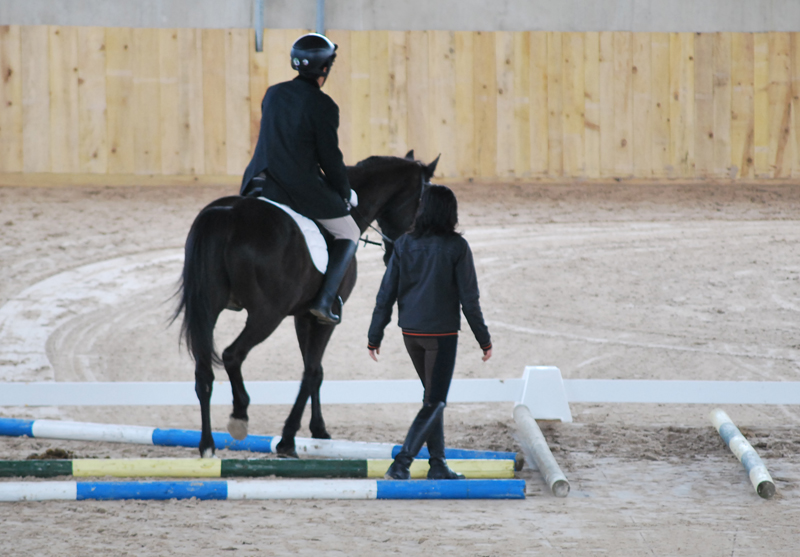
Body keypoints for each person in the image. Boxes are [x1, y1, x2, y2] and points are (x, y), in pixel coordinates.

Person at [367, 185, 492, 480]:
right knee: (436, 401)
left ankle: (438, 464)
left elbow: (385, 295)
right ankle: (402, 463)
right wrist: (483, 338)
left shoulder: (403, 243)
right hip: (442, 336)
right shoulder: (457, 247)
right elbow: (469, 301)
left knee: (431, 398)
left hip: (410, 333)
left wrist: (375, 335)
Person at [240, 33, 359, 325]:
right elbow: (329, 159)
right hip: (294, 188)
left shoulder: (273, 93)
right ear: (324, 68)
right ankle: (324, 301)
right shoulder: (324, 105)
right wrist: (344, 192)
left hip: (257, 181)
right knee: (349, 233)